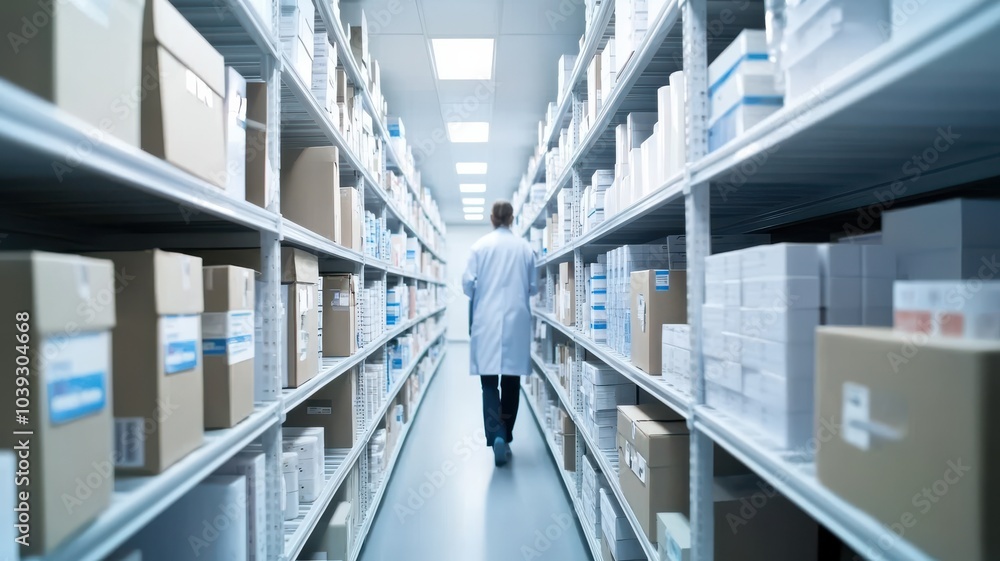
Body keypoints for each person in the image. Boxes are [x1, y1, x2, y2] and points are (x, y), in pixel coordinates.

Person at [462, 200, 538, 466]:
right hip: (516, 321)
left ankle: (496, 434)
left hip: (487, 321)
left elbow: (467, 285)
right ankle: (506, 435)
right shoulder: (525, 248)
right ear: (512, 218)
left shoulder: (479, 247)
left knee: (489, 383)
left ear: (492, 218)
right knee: (511, 382)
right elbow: (532, 287)